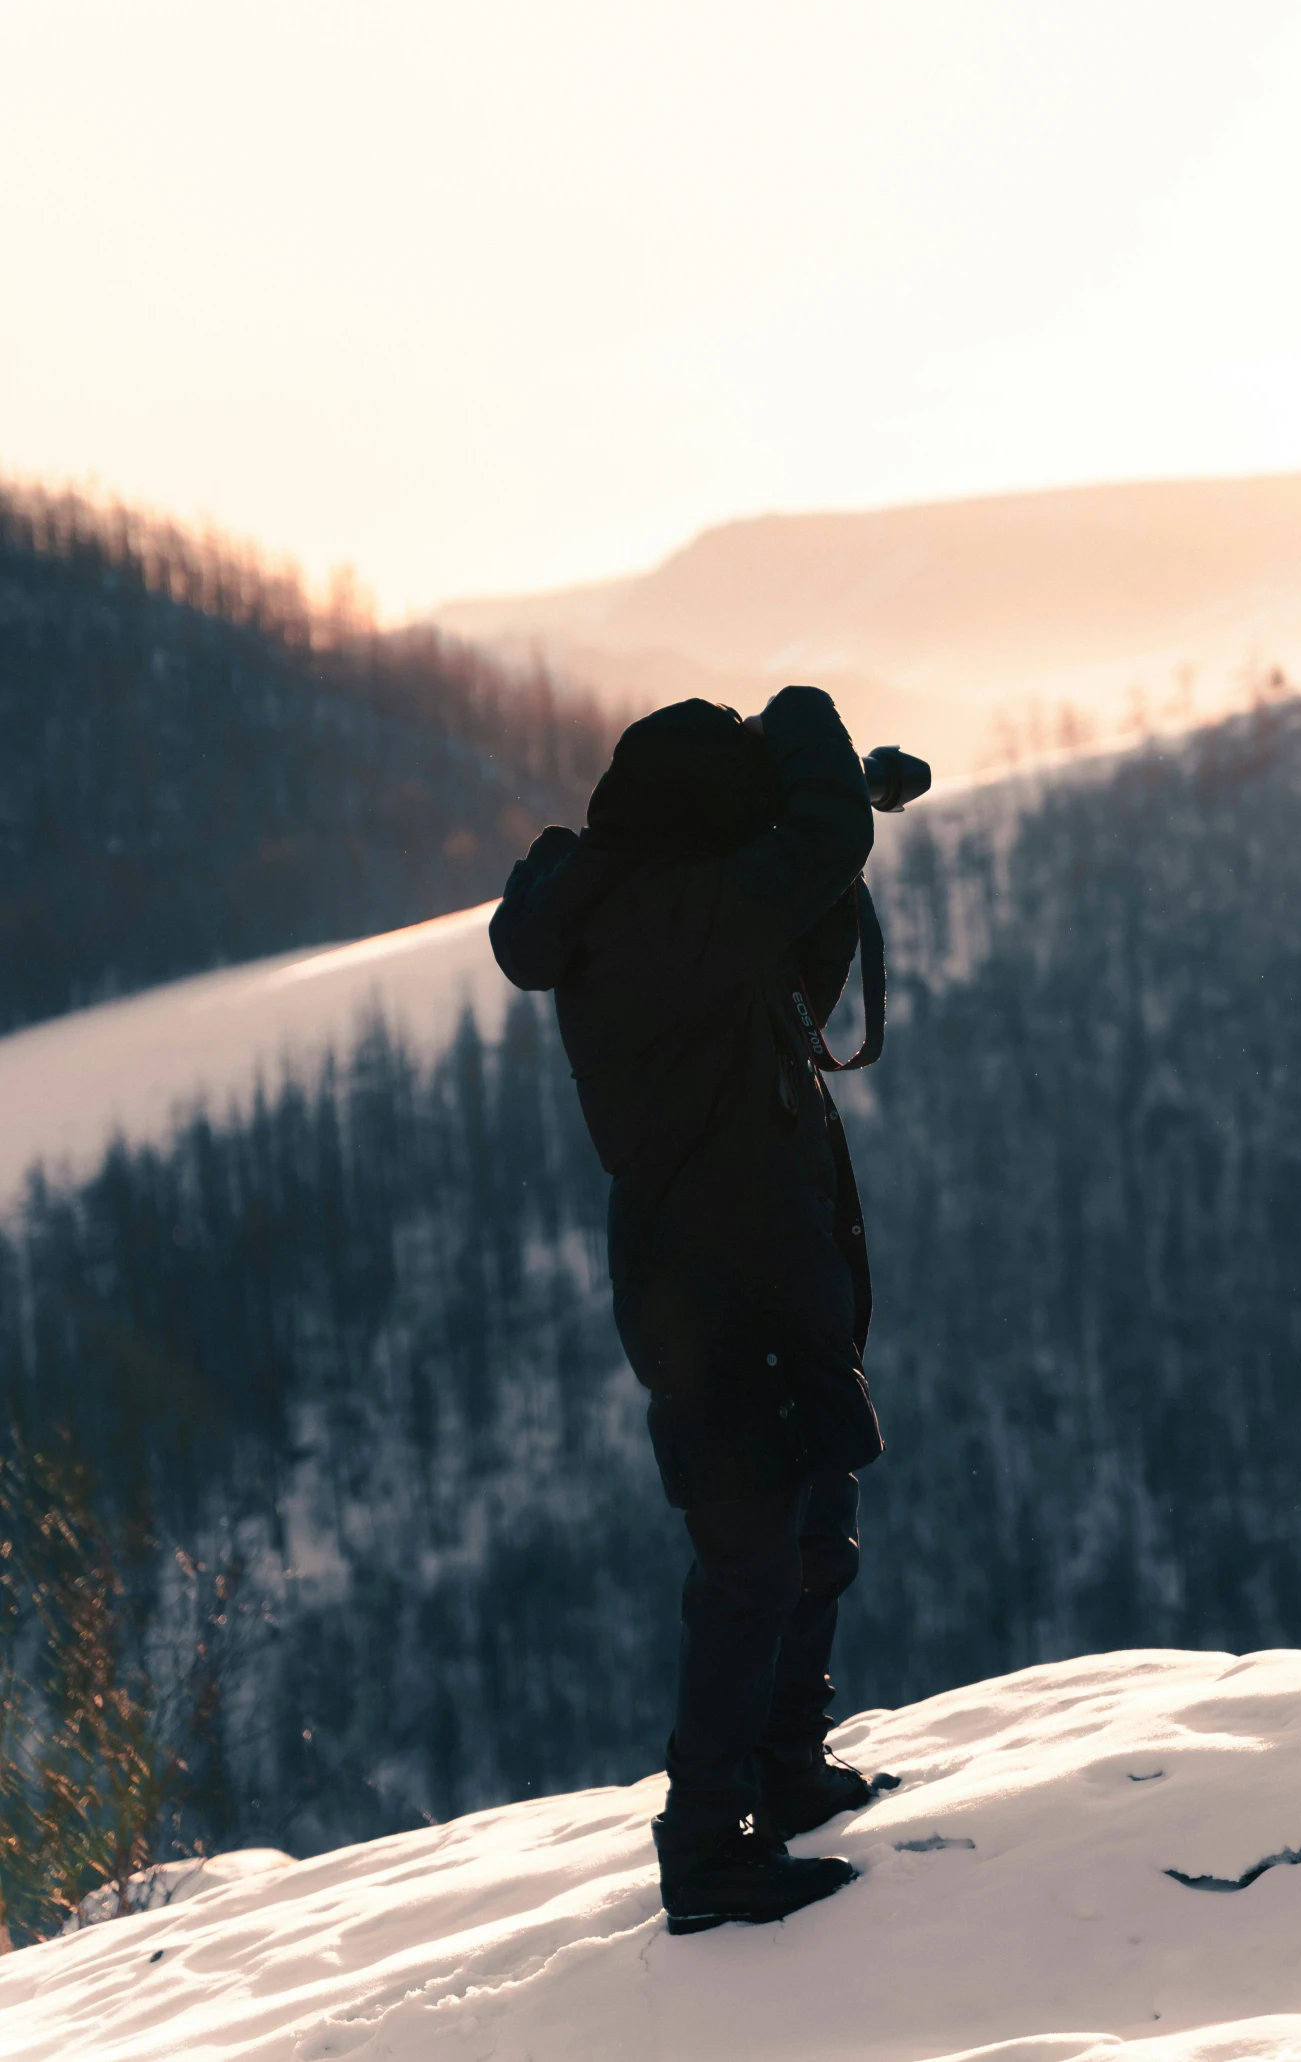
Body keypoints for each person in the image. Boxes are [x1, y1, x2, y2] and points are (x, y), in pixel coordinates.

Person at [488, 685, 896, 1934]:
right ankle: (708, 1843)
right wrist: (804, 723)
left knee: (811, 1515)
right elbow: (820, 850)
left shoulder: (645, 906)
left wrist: (812, 793)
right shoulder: (666, 921)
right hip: (716, 1290)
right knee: (747, 1561)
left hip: (751, 1264)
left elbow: (797, 937)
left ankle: (781, 1762)